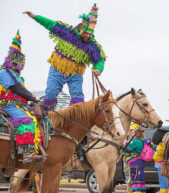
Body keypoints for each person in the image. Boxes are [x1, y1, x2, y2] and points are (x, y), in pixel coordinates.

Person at [23, 3, 107, 110]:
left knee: (78, 98)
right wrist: (35, 17)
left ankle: (74, 118)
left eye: (90, 34)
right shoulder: (67, 32)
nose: (88, 35)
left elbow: (100, 59)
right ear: (81, 28)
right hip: (57, 68)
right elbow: (50, 24)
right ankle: (47, 114)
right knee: (51, 93)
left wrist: (98, 69)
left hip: (75, 73)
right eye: (86, 33)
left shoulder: (93, 46)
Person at [0, 31, 43, 163]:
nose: (15, 65)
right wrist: (32, 97)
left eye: (17, 62)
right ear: (10, 60)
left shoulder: (16, 75)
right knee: (26, 121)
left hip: (18, 104)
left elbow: (22, 89)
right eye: (14, 62)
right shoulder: (4, 72)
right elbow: (16, 89)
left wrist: (31, 98)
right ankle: (27, 154)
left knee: (34, 119)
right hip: (7, 105)